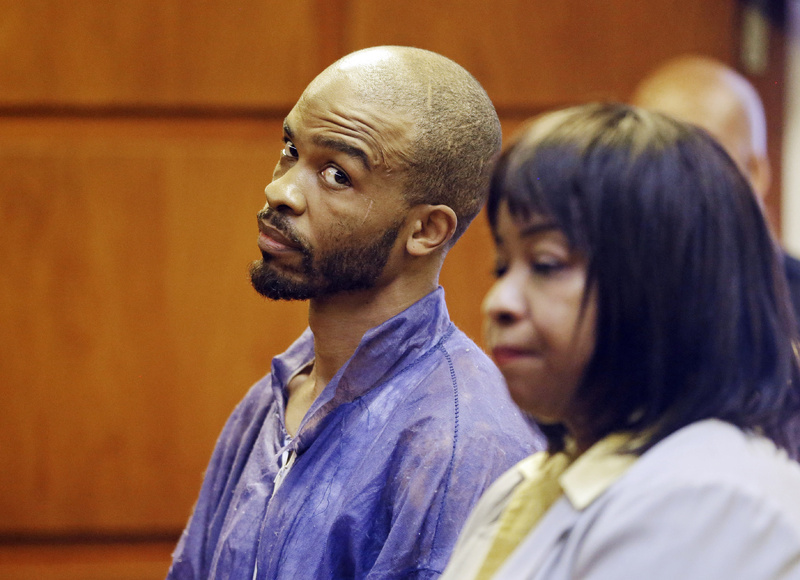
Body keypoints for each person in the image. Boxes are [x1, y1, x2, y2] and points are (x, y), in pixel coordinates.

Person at [166, 46, 542, 580]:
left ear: (425, 230)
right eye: (291, 150)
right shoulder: (272, 398)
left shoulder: (461, 443)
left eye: (337, 175)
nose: (280, 190)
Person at [440, 103, 800, 580]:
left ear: (665, 283)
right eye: (503, 266)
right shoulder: (528, 483)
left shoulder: (711, 496)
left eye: (546, 265)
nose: (498, 302)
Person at [631, 54, 800, 322]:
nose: (670, 174)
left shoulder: (790, 298)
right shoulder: (611, 292)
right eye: (652, 153)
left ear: (754, 173)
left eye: (698, 155)